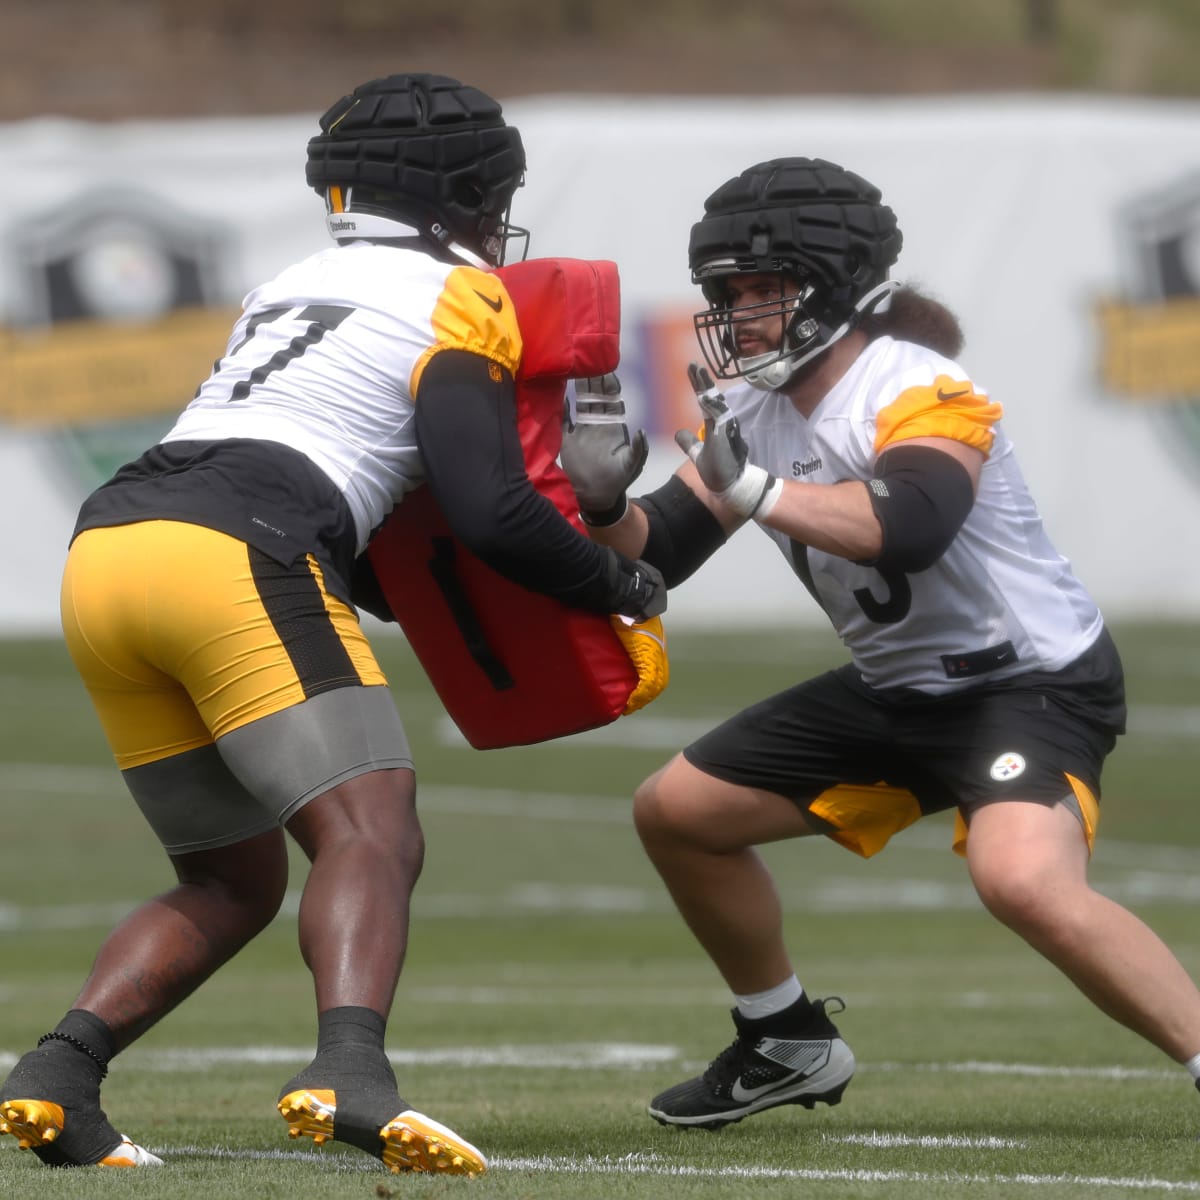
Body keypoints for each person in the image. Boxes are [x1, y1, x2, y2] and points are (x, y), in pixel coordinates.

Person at [0, 72, 664, 1173]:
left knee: (230, 878)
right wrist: (619, 583)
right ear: (460, 193)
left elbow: (369, 549)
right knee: (372, 827)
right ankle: (347, 1069)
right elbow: (492, 511)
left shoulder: (292, 281)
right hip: (235, 550)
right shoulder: (466, 296)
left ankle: (60, 1075)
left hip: (112, 551)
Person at [559, 155, 1200, 1130]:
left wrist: (760, 494)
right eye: (726, 293)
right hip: (900, 687)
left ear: (828, 287)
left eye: (758, 290)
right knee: (679, 811)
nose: (737, 315)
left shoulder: (919, 385)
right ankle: (784, 1040)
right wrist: (601, 501)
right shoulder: (754, 410)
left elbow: (913, 522)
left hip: (1023, 684)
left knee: (1021, 879)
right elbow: (664, 548)